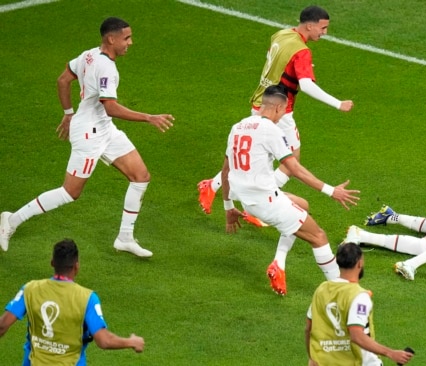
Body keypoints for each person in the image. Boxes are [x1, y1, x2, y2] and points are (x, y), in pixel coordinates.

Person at [0, 17, 174, 257]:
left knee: (140, 176)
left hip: (103, 128)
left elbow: (63, 80)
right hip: (89, 134)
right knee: (70, 192)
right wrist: (149, 117)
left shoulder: (88, 55)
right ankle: (11, 220)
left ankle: (125, 237)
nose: (130, 43)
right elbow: (110, 106)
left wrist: (68, 113)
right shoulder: (106, 68)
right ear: (111, 39)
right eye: (127, 38)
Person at [197, 5, 354, 214]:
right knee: (290, 159)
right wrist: (338, 104)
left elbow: (270, 56)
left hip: (263, 100)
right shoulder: (302, 52)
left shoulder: (281, 34)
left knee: (271, 156)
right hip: (279, 111)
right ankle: (252, 199)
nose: (325, 32)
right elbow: (306, 85)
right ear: (310, 25)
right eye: (323, 28)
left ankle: (223, 189)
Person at [221, 85, 360, 296]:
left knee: (302, 205)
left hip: (247, 200)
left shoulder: (238, 127)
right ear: (277, 108)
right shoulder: (271, 130)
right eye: (284, 110)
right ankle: (340, 291)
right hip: (267, 202)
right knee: (319, 236)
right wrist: (332, 191)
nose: (283, 115)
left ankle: (278, 262)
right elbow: (294, 168)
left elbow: (225, 169)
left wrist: (228, 207)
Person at [0, 239, 145, 365]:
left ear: (52, 263)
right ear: (76, 266)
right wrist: (130, 342)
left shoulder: (30, 289)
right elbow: (104, 341)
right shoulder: (87, 298)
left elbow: (2, 326)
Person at [305, 243, 413, 365]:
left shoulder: (321, 290)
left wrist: (312, 357)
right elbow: (356, 335)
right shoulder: (359, 296)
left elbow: (309, 328)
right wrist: (390, 353)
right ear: (360, 262)